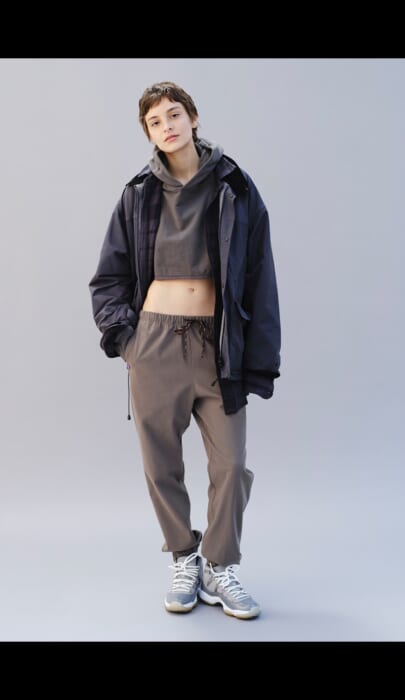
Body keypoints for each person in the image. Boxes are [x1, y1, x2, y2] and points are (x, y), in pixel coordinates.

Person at [88, 81, 281, 620]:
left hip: (217, 344)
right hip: (154, 344)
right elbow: (108, 279)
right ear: (148, 133)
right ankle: (183, 557)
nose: (167, 126)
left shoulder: (235, 186)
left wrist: (260, 355)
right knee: (161, 465)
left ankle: (220, 565)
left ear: (193, 118)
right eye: (155, 121)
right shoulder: (137, 194)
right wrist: (128, 342)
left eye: (174, 114)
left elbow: (260, 275)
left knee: (232, 465)